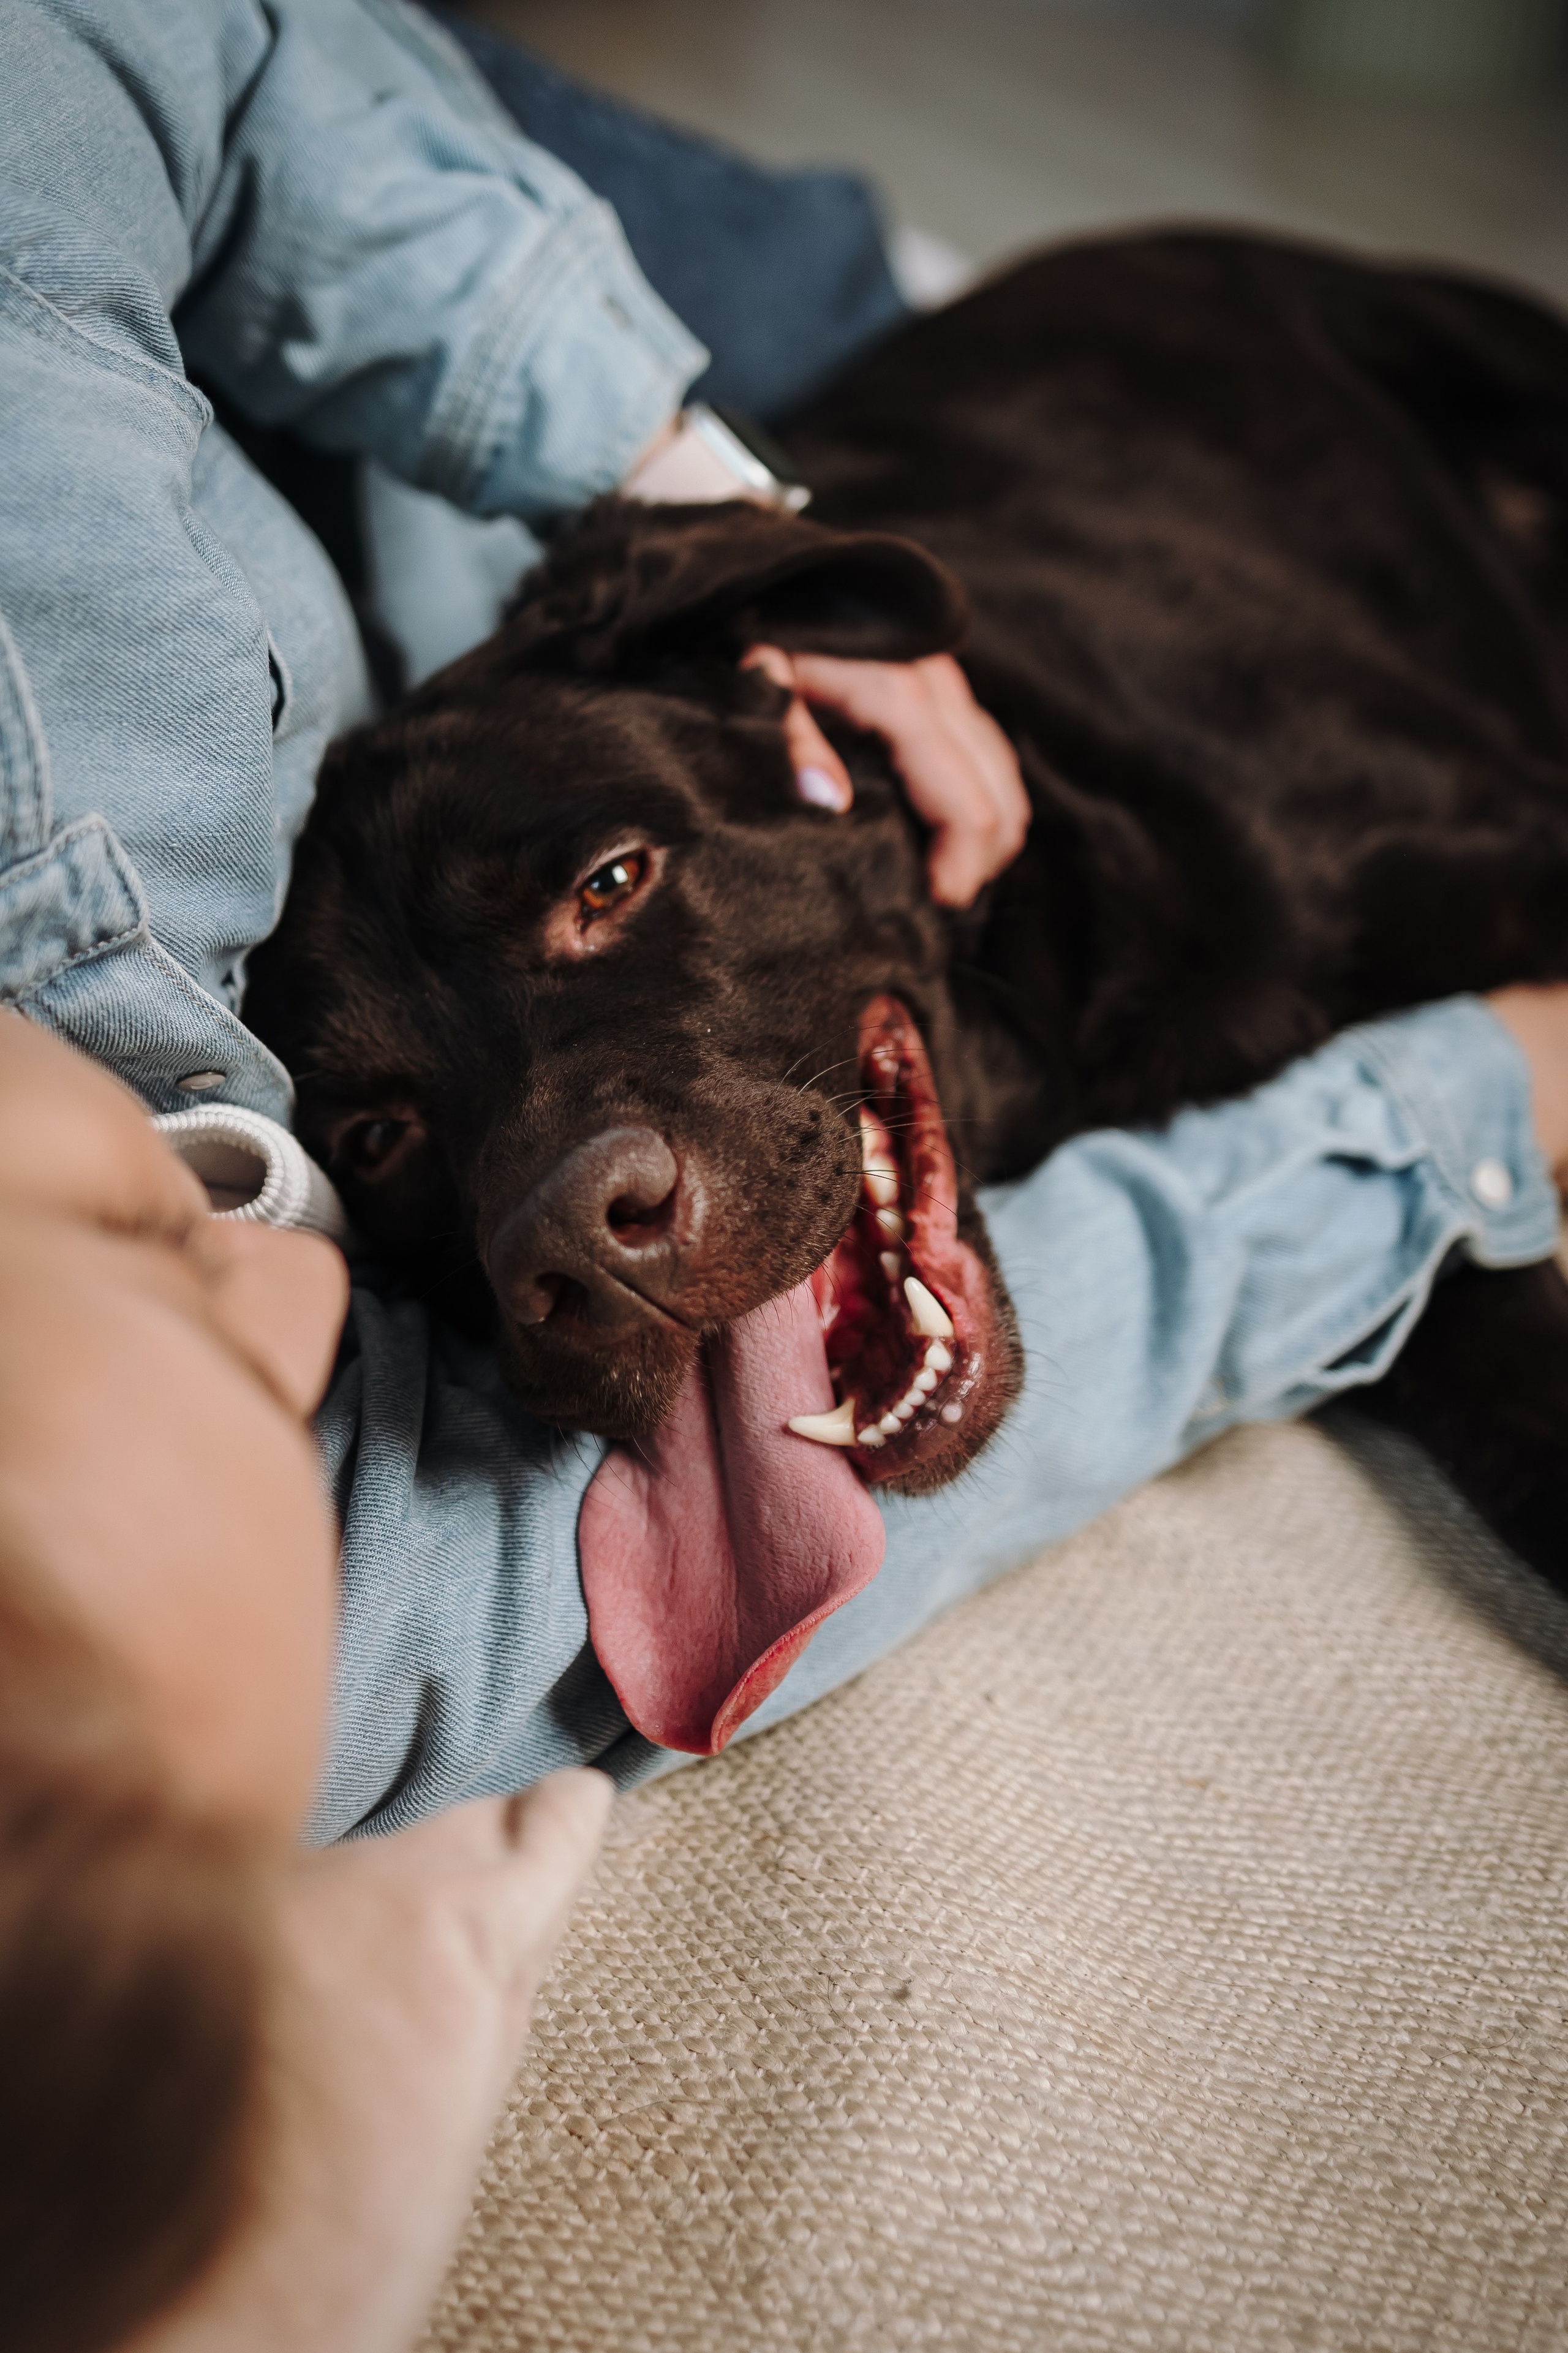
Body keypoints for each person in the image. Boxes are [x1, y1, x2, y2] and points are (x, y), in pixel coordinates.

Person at [2, 0, 1565, 1851]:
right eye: (381, 1136)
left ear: (797, 727)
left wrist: (694, 483)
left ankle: (799, 327)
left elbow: (171, 52)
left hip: (1305, 390)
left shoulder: (1217, 824)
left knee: (777, 277)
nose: (551, 1199)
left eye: (610, 890)